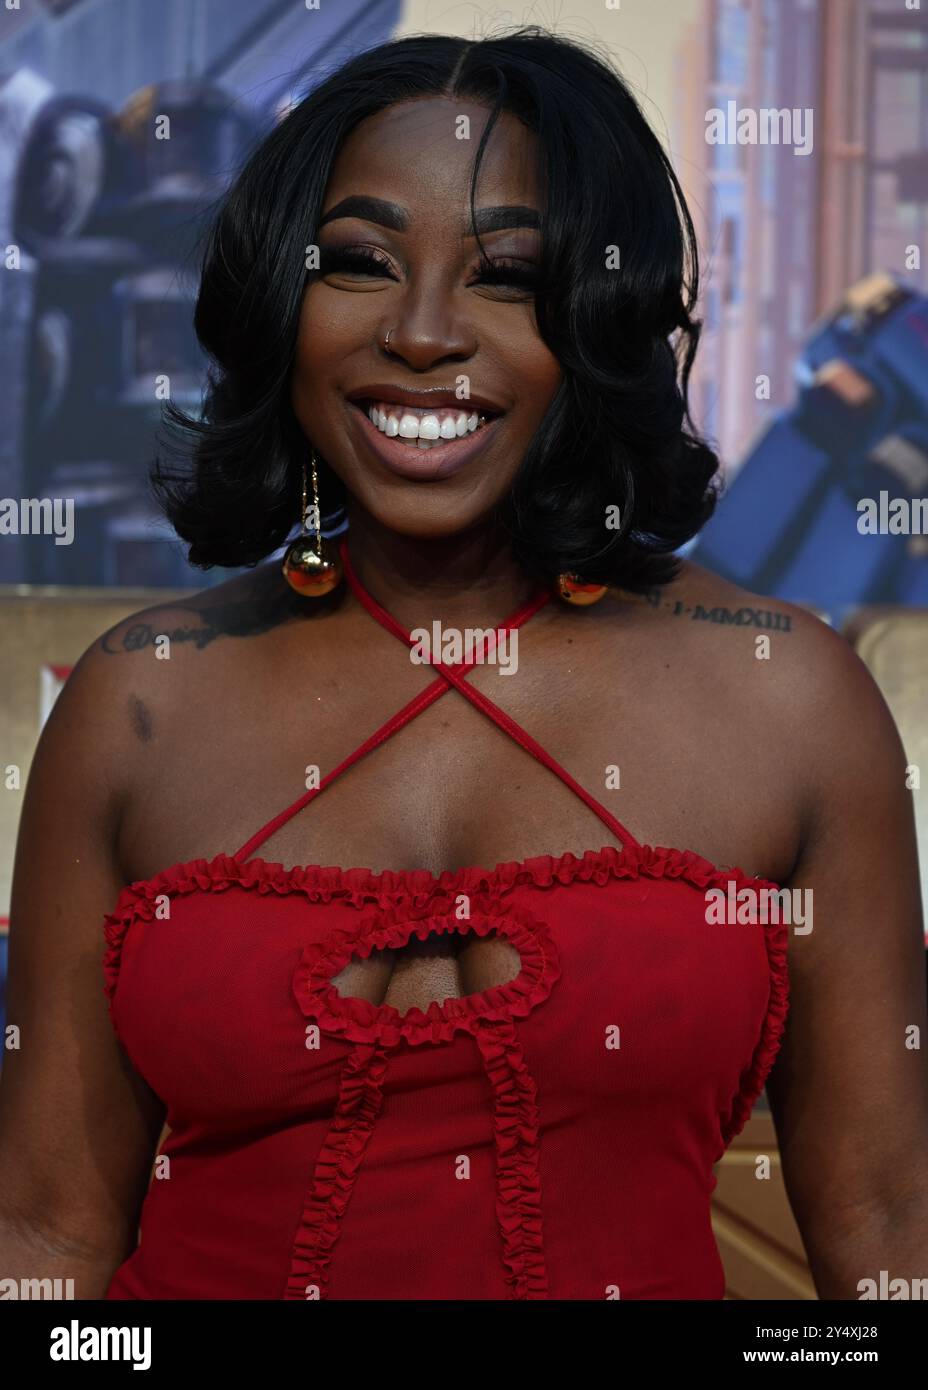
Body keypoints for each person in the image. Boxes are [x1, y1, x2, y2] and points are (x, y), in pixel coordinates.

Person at [1, 27, 925, 1301]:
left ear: (600, 318)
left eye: (507, 277)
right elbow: (45, 1244)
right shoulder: (138, 697)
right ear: (284, 300)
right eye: (363, 262)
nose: (423, 332)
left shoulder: (787, 697)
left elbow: (885, 1232)